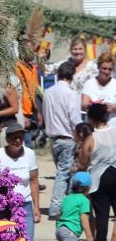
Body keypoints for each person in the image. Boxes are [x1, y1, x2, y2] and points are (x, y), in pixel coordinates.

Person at [44, 61, 82, 219]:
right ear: (71, 76)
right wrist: (80, 137)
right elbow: (75, 118)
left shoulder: (48, 92)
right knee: (64, 174)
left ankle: (67, 205)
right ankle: (56, 208)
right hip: (68, 138)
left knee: (64, 173)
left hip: (53, 139)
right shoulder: (71, 93)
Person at [0, 122, 41, 241]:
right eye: (14, 138)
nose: (18, 141)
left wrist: (36, 208)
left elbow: (34, 181)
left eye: (20, 137)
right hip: (4, 207)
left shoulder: (30, 154)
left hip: (25, 205)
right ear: (7, 139)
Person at [78, 102, 116, 241]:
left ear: (92, 119)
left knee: (102, 214)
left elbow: (83, 161)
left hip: (99, 178)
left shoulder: (91, 138)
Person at [81, 52, 116, 122]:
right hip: (93, 127)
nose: (107, 72)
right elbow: (84, 104)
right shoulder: (89, 83)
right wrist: (95, 105)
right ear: (98, 67)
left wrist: (113, 107)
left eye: (110, 69)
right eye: (104, 68)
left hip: (112, 127)